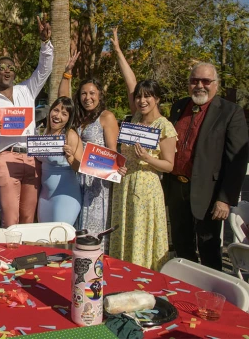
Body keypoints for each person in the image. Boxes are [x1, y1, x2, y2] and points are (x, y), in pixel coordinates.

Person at [164, 62, 248, 271]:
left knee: (209, 249)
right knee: (182, 246)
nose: (199, 85)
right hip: (176, 187)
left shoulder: (230, 112)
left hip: (209, 194)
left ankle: (212, 299)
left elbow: (236, 161)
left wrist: (225, 199)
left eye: (205, 81)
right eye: (194, 81)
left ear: (216, 85)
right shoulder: (179, 106)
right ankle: (184, 293)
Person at [109, 28, 177, 270]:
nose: (142, 100)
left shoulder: (164, 125)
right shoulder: (136, 118)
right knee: (124, 237)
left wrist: (148, 158)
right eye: (139, 97)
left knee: (141, 241)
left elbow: (169, 165)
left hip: (147, 190)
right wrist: (117, 51)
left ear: (157, 99)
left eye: (148, 96)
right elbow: (131, 81)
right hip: (126, 186)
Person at [0, 16, 53, 228]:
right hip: (6, 158)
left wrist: (45, 43)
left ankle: (27, 258)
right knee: (10, 219)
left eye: (10, 67)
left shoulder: (26, 90)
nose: (7, 70)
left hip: (31, 157)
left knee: (29, 219)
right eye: (2, 67)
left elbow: (44, 69)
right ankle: (8, 258)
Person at [58, 52, 119, 247]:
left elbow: (113, 153)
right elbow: (62, 100)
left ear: (100, 96)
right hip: (77, 177)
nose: (87, 97)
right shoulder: (78, 118)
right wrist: (66, 74)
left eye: (92, 93)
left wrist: (102, 168)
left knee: (94, 230)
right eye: (84, 93)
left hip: (97, 183)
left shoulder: (107, 117)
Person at [36, 96, 83, 225]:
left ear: (69, 119)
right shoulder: (45, 133)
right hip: (45, 196)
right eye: (55, 110)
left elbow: (81, 168)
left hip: (65, 196)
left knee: (60, 239)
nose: (58, 116)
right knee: (44, 239)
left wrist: (70, 158)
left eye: (64, 114)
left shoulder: (70, 135)